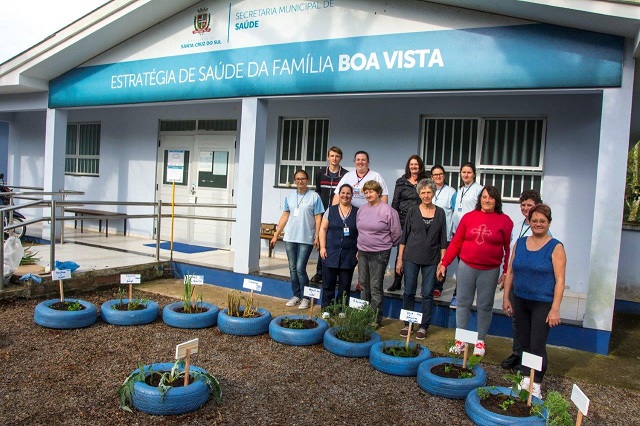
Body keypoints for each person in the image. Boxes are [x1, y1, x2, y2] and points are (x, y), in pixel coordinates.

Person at [437, 185, 513, 356]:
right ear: (480, 199)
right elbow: (456, 242)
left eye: (491, 198)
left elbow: (508, 249)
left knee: (485, 305)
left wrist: (506, 270)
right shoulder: (469, 217)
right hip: (467, 267)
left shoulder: (505, 221)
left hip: (490, 270)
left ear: (496, 201)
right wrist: (445, 263)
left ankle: (480, 341)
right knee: (463, 302)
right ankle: (461, 340)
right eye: (484, 197)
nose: (487, 200)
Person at [502, 204, 565, 399]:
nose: (538, 224)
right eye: (534, 220)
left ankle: (536, 382)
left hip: (542, 303)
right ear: (528, 222)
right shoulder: (519, 243)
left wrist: (555, 309)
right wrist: (506, 298)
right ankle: (525, 378)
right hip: (520, 300)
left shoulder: (556, 247)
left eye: (542, 221)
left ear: (549, 223)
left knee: (537, 345)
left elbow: (560, 280)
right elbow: (510, 271)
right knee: (523, 343)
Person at [396, 179, 447, 339]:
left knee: (427, 293)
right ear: (419, 194)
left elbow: (443, 240)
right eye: (423, 192)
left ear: (433, 193)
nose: (426, 195)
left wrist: (442, 263)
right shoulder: (412, 210)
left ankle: (424, 326)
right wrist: (399, 259)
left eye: (429, 192)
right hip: (411, 256)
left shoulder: (440, 213)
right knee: (409, 291)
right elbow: (404, 237)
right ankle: (408, 323)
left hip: (431, 259)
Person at [501, 189, 544, 370]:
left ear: (537, 207)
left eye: (530, 205)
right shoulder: (517, 225)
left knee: (531, 322)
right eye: (523, 205)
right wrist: (505, 273)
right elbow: (510, 252)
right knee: (516, 319)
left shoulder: (542, 228)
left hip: (532, 281)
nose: (526, 208)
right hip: (514, 277)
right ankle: (517, 353)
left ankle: (529, 358)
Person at [271, 169, 325, 309]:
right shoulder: (289, 196)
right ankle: (296, 295)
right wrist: (276, 234)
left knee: (301, 268)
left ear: (307, 180)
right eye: (298, 179)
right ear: (295, 181)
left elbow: (318, 217)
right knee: (292, 268)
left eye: (303, 178)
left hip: (306, 238)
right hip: (290, 237)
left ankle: (306, 297)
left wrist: (318, 236)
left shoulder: (314, 197)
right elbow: (285, 216)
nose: (300, 181)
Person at [356, 180, 401, 326]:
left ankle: (375, 318)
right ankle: (364, 314)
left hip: (379, 253)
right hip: (362, 251)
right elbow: (360, 229)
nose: (368, 194)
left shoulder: (388, 211)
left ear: (378, 193)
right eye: (366, 192)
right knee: (363, 284)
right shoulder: (362, 209)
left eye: (371, 191)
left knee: (375, 286)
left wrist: (386, 245)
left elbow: (396, 233)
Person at [388, 155, 428, 292]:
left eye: (416, 164)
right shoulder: (401, 181)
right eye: (411, 164)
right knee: (401, 251)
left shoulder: (425, 181)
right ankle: (397, 281)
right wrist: (393, 221)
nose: (414, 167)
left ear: (420, 166)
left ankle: (415, 283)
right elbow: (395, 202)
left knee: (418, 252)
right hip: (402, 221)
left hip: (420, 221)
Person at [311, 146, 349, 285]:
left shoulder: (345, 175)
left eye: (337, 156)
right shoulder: (320, 173)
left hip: (339, 213)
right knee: (322, 242)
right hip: (322, 213)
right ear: (328, 157)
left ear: (341, 158)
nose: (334, 158)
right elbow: (317, 192)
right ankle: (320, 272)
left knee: (337, 242)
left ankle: (337, 273)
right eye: (332, 156)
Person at [448, 162, 483, 308]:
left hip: (471, 235)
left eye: (469, 172)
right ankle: (462, 294)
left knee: (467, 267)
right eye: (463, 172)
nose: (466, 175)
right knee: (461, 266)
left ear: (474, 174)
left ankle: (460, 295)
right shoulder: (460, 190)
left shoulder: (479, 190)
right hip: (458, 233)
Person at [318, 184, 358, 308]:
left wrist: (359, 250)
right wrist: (323, 247)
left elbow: (362, 232)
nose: (345, 195)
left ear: (352, 195)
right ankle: (326, 307)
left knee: (345, 285)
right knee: (328, 283)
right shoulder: (331, 210)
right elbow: (323, 229)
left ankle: (341, 308)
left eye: (348, 193)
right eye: (343, 193)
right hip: (331, 252)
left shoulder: (358, 212)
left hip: (349, 254)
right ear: (339, 194)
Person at [430, 164, 457, 298]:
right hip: (429, 234)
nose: (438, 177)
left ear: (444, 176)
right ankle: (429, 285)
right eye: (435, 175)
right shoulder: (428, 190)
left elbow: (455, 212)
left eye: (440, 174)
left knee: (442, 261)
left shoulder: (451, 192)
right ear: (431, 177)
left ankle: (438, 286)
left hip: (445, 234)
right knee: (430, 260)